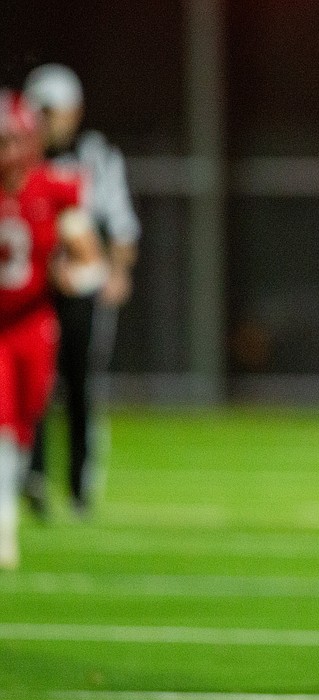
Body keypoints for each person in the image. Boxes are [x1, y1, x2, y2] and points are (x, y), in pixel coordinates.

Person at [21, 63, 141, 519]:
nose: (51, 121)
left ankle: (78, 486)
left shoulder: (97, 158)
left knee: (80, 385)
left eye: (57, 111)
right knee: (31, 383)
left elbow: (121, 226)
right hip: (32, 289)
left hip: (81, 287)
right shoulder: (18, 160)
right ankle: (28, 476)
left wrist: (116, 272)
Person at [1, 90, 104, 569]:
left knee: (25, 424)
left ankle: (27, 490)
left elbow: (91, 263)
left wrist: (72, 276)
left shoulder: (54, 187)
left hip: (32, 320)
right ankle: (4, 519)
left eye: (13, 140)